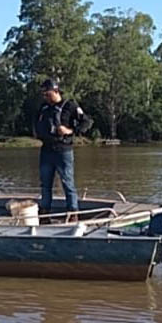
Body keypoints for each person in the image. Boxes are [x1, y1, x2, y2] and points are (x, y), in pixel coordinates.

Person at [35, 78, 93, 218]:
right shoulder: (44, 107)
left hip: (63, 151)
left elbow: (87, 122)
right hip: (46, 150)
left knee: (68, 184)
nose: (45, 97)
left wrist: (69, 130)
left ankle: (73, 213)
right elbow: (36, 122)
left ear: (56, 91)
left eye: (47, 94)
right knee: (45, 185)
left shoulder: (70, 105)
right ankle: (44, 214)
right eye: (43, 94)